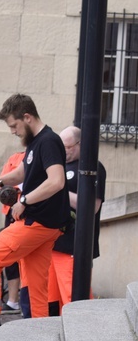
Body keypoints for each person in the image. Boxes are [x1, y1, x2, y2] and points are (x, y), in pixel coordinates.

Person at [0, 94, 69, 334]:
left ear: (27, 117)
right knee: (37, 287)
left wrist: (24, 200)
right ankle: (39, 337)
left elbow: (56, 182)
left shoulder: (47, 141)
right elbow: (22, 173)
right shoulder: (37, 142)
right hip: (47, 225)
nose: (13, 132)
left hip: (37, 221)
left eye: (14, 126)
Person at [48, 126, 106, 315]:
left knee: (74, 300)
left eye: (68, 147)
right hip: (53, 242)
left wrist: (59, 189)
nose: (63, 151)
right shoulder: (61, 165)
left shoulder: (93, 167)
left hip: (73, 246)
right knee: (51, 301)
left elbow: (92, 207)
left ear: (80, 144)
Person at [0, 147, 26, 314]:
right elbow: (5, 180)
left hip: (31, 209)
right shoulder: (15, 157)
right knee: (11, 256)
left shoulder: (43, 151)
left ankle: (27, 300)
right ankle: (13, 300)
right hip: (12, 210)